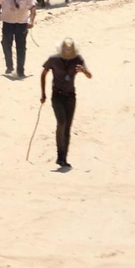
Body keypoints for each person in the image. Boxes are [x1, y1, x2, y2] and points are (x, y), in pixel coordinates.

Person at [41, 38, 91, 170]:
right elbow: (43, 73)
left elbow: (90, 75)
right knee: (61, 123)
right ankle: (59, 154)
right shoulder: (53, 59)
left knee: (67, 127)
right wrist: (43, 93)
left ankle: (63, 158)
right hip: (57, 95)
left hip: (71, 96)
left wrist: (83, 71)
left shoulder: (78, 59)